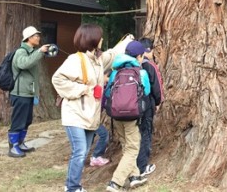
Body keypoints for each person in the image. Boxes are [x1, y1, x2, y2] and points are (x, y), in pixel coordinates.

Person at [52, 24, 133, 192]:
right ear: (93, 39)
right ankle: (72, 187)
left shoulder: (97, 59)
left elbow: (112, 54)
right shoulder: (75, 59)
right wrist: (86, 89)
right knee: (80, 151)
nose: (102, 39)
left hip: (90, 115)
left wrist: (127, 41)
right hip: (75, 114)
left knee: (83, 151)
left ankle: (72, 184)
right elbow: (58, 79)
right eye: (100, 37)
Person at [105, 40, 151, 192]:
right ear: (138, 56)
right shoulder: (141, 72)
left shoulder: (115, 73)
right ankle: (115, 182)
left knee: (126, 145)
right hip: (132, 116)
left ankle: (135, 177)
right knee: (132, 148)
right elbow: (146, 92)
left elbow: (108, 93)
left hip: (116, 115)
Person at [7, 26, 50, 158]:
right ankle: (13, 147)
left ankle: (20, 143)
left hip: (28, 93)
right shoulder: (21, 52)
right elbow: (24, 64)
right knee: (18, 120)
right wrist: (40, 52)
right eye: (36, 36)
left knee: (26, 120)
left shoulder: (31, 51)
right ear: (29, 38)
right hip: (20, 93)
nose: (38, 38)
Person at [136, 37, 164, 177]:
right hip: (146, 105)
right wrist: (158, 103)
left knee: (134, 135)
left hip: (129, 106)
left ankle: (131, 164)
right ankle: (142, 167)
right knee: (146, 134)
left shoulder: (131, 64)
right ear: (150, 50)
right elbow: (157, 88)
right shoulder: (150, 65)